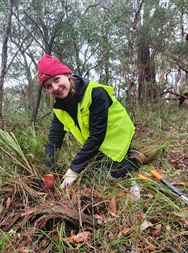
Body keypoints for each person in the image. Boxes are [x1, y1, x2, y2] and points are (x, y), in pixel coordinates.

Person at [37, 54, 147, 189]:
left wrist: (73, 170)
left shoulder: (95, 92)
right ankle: (125, 156)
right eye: (49, 86)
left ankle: (135, 159)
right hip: (98, 145)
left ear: (67, 74)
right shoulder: (60, 106)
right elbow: (54, 140)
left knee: (96, 177)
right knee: (89, 172)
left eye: (57, 79)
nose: (55, 88)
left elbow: (97, 135)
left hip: (117, 137)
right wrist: (49, 171)